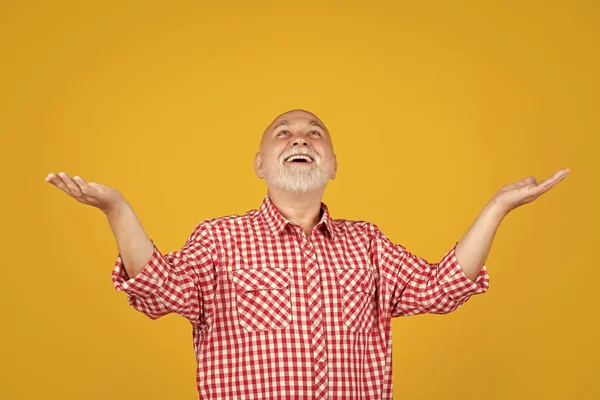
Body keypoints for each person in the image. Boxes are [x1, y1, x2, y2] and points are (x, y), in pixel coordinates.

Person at [45, 109, 569, 399]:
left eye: (315, 133)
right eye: (284, 133)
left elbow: (441, 289)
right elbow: (160, 292)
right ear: (259, 163)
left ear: (333, 163)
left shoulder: (367, 243)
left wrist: (498, 207)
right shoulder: (218, 239)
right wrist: (117, 210)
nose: (301, 138)